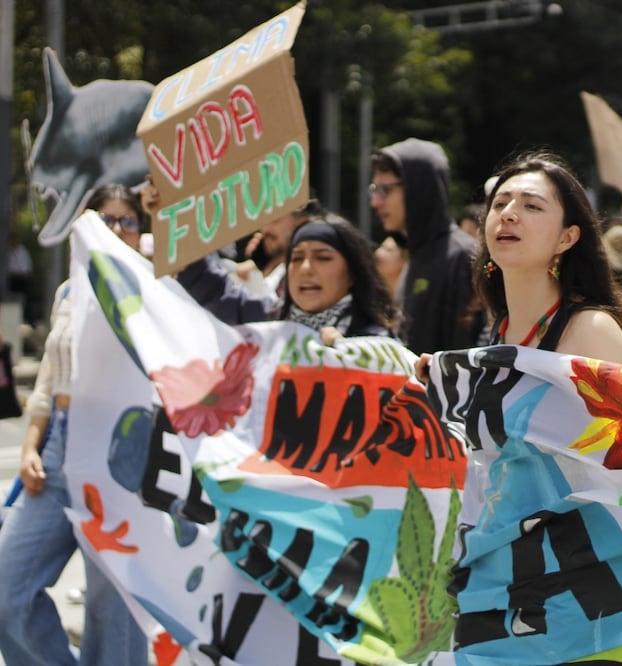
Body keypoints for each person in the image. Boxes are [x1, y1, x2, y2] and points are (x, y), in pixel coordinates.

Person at [416, 151, 622, 433]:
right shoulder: (500, 329)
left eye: (532, 206)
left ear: (567, 238)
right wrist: (444, 376)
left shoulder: (591, 330)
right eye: (499, 203)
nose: (508, 214)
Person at [0, 183, 149, 666]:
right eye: (105, 220)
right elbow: (49, 379)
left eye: (128, 221)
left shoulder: (156, 288)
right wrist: (30, 447)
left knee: (113, 605)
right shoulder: (69, 290)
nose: (117, 229)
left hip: (120, 448)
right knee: (8, 586)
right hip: (59, 445)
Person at [178, 212, 397, 344]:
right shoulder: (270, 319)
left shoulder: (377, 342)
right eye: (297, 258)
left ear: (352, 274)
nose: (306, 269)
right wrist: (176, 217)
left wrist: (350, 356)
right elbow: (211, 288)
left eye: (323, 258)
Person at [369, 138, 484, 354]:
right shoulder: (418, 254)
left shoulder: (462, 257)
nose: (375, 202)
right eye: (374, 190)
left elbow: (465, 358)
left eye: (385, 190)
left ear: (418, 189)